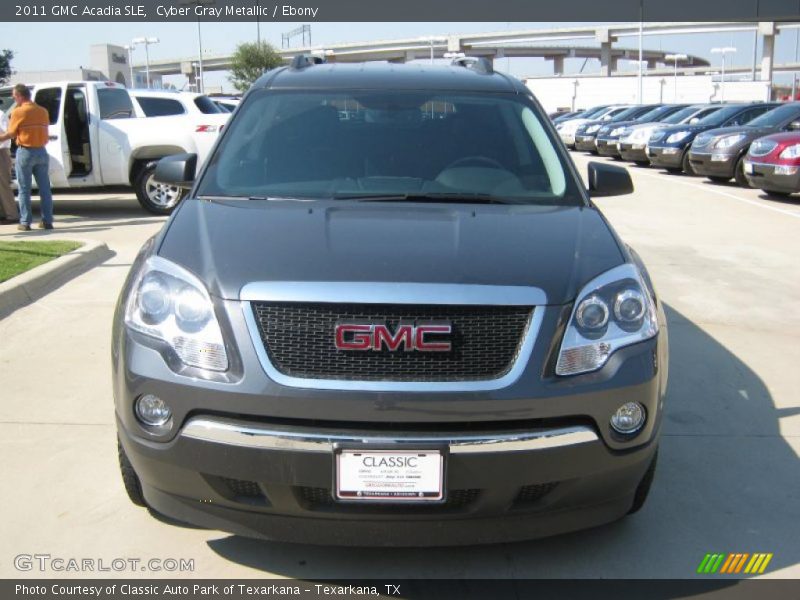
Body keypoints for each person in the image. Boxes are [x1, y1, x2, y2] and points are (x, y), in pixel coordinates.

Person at [0, 84, 53, 231]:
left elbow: (10, 134)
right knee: (45, 189)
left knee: (24, 189)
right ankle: (47, 221)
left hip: (26, 151)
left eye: (14, 95)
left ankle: (25, 222)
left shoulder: (18, 112)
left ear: (20, 96)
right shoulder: (43, 111)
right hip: (42, 151)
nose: (13, 98)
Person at [0, 106, 19, 224]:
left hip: (1, 152)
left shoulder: (0, 114)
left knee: (4, 185)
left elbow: (8, 133)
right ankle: (3, 214)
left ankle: (12, 215)